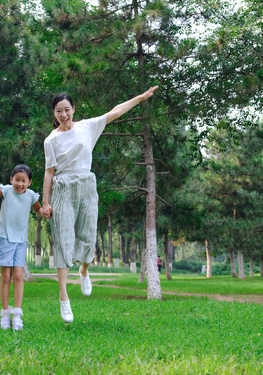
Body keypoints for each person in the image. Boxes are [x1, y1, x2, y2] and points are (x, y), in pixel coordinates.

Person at [42, 86, 158, 323]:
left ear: (73, 109)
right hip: (63, 187)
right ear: (54, 114)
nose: (63, 115)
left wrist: (141, 96)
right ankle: (64, 298)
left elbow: (116, 111)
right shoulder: (51, 140)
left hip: (86, 184)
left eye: (67, 110)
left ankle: (84, 269)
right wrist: (46, 201)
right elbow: (48, 173)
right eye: (58, 111)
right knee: (63, 242)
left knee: (88, 236)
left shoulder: (87, 126)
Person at [0, 165, 48, 330]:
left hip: (20, 240)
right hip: (5, 237)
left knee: (18, 276)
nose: (20, 184)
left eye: (24, 181)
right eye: (17, 180)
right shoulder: (6, 191)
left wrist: (45, 212)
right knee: (6, 277)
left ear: (29, 182)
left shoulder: (31, 196)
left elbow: (38, 210)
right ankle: (5, 314)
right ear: (11, 180)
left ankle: (17, 314)